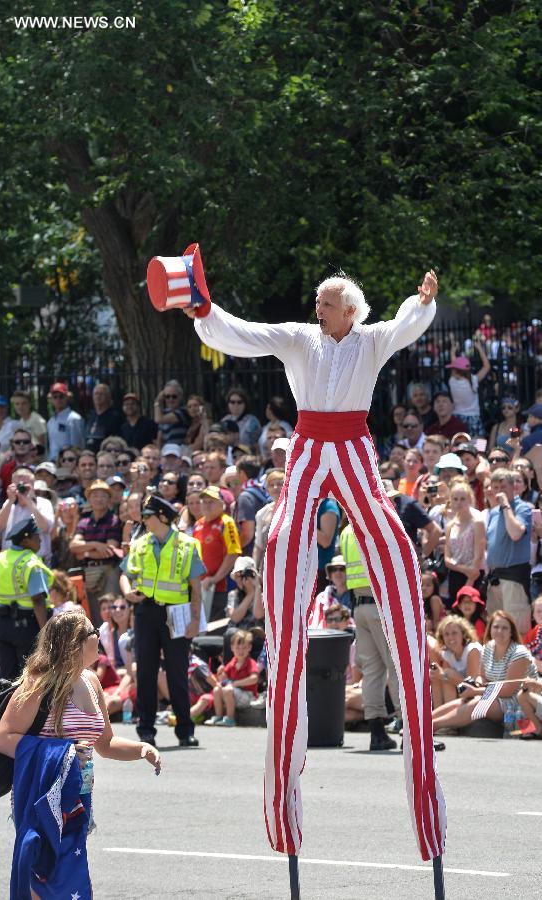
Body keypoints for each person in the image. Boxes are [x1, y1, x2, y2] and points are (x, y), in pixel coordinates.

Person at [187, 268, 445, 861]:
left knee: (389, 536)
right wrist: (205, 312)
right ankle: (282, 651)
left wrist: (422, 302)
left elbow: (407, 326)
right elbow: (244, 333)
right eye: (318, 302)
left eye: (325, 302)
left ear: (348, 309)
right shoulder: (301, 338)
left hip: (353, 442)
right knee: (281, 539)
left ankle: (404, 632)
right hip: (307, 443)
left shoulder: (371, 339)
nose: (316, 307)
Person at [0, 611, 161, 899]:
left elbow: (105, 743)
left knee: (68, 873)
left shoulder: (92, 681)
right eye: (92, 631)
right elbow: (3, 739)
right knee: (43, 873)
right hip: (42, 794)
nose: (99, 636)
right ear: (75, 642)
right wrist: (64, 752)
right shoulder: (39, 685)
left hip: (77, 796)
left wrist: (141, 749)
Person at [120, 492, 205, 747]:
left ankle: (185, 729)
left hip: (176, 613)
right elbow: (125, 573)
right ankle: (146, 730)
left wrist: (194, 620)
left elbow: (196, 586)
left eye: (147, 516)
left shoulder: (187, 544)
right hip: (146, 612)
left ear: (161, 517)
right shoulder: (140, 543)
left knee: (178, 673)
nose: (143, 520)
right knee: (145, 671)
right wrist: (126, 592)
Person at [339, 522, 402, 744]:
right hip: (380, 604)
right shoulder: (378, 526)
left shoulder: (347, 531)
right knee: (397, 667)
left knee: (373, 670)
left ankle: (377, 732)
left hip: (360, 605)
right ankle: (409, 730)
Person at [432, 610, 537, 732]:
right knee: (463, 701)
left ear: (511, 632)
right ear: (490, 629)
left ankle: (433, 726)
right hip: (494, 695)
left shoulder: (519, 653)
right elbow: (481, 676)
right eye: (496, 627)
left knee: (478, 704)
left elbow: (508, 690)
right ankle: (424, 721)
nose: (499, 631)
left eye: (504, 628)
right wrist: (477, 684)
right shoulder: (489, 647)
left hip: (518, 702)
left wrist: (477, 691)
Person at [0, 516, 52, 679]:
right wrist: (46, 633)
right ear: (26, 540)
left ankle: (5, 705)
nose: (40, 541)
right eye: (37, 537)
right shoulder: (31, 564)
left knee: (7, 677)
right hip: (26, 626)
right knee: (30, 677)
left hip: (0, 625)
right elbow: (37, 600)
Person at [69, 479, 123, 625]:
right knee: (91, 614)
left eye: (103, 495)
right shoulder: (84, 522)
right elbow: (73, 545)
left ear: (109, 499)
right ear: (89, 499)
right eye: (95, 495)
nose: (99, 499)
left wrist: (85, 552)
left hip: (108, 571)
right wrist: (95, 544)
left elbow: (109, 550)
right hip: (88, 572)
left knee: (110, 613)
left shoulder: (113, 520)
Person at [486, 468, 532, 635]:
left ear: (513, 487)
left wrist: (505, 504)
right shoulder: (492, 512)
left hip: (514, 580)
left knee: (517, 632)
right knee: (495, 633)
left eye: (503, 487)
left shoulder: (522, 508)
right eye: (495, 487)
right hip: (495, 580)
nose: (499, 492)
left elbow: (515, 533)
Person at [193, 485, 241, 621]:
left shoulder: (226, 523)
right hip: (201, 588)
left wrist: (215, 578)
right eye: (204, 501)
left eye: (211, 502)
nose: (207, 505)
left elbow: (233, 553)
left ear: (222, 504)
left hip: (219, 588)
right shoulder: (198, 524)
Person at [0, 466, 55, 563]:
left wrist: (29, 501)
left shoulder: (43, 503)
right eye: (19, 485)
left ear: (33, 485)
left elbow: (45, 528)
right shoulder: (9, 504)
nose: (22, 488)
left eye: (26, 484)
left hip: (36, 561)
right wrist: (10, 501)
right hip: (11, 561)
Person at [443, 479, 486, 603]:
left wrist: (470, 580)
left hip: (475, 575)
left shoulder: (477, 522)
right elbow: (447, 558)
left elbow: (479, 553)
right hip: (457, 574)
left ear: (470, 500)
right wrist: (463, 569)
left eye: (462, 499)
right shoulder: (450, 525)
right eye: (455, 499)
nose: (458, 503)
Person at [205, 629, 259, 726]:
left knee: (228, 690)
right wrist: (221, 674)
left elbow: (254, 678)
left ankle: (230, 719)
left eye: (244, 648)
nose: (240, 651)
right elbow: (223, 678)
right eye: (237, 648)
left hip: (249, 696)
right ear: (232, 648)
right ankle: (219, 716)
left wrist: (235, 684)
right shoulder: (233, 662)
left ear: (249, 648)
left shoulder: (250, 663)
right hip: (234, 694)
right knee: (217, 689)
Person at [429, 615, 482, 708]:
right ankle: (437, 713)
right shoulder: (447, 654)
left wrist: (443, 675)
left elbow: (472, 685)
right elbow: (446, 678)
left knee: (446, 674)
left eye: (454, 633)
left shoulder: (472, 650)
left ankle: (443, 716)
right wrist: (439, 675)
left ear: (463, 634)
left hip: (478, 691)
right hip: (461, 691)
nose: (450, 638)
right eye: (446, 634)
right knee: (440, 678)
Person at [445, 345, 490, 436]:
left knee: (460, 446)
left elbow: (454, 361)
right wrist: (480, 349)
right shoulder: (473, 381)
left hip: (457, 417)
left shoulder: (452, 381)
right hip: (474, 417)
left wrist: (453, 351)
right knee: (479, 445)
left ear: (455, 371)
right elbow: (487, 366)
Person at [46, 381, 85, 461]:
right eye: (55, 397)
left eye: (61, 396)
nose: (58, 399)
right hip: (52, 462)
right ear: (51, 399)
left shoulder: (74, 418)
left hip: (67, 462)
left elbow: (78, 447)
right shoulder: (51, 421)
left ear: (67, 397)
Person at [220, 387, 261, 452]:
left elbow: (257, 446)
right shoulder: (224, 420)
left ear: (245, 404)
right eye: (232, 402)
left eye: (239, 402)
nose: (236, 405)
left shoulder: (252, 421)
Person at [85, 383, 123, 453]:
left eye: (101, 394)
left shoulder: (115, 417)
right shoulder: (90, 415)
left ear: (108, 397)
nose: (98, 396)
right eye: (96, 394)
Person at [154, 380, 190, 446]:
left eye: (174, 396)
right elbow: (159, 438)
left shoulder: (183, 412)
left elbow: (158, 419)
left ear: (180, 397)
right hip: (166, 451)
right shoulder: (164, 412)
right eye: (167, 396)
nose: (171, 399)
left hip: (179, 450)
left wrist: (157, 402)